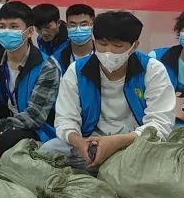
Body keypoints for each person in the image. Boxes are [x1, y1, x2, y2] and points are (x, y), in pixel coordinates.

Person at [48, 10, 177, 168]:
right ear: (94, 42)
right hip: (90, 141)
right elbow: (65, 119)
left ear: (134, 46)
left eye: (117, 46)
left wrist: (116, 142)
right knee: (49, 150)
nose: (108, 52)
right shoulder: (77, 71)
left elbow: (160, 123)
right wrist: (80, 144)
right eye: (102, 44)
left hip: (134, 142)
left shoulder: (152, 70)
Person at [0, 1, 60, 157]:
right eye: (2, 27)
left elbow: (35, 116)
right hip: (2, 121)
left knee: (6, 142)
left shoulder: (47, 66)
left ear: (29, 32)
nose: (7, 31)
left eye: (14, 27)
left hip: (36, 129)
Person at [53, 4, 96, 73]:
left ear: (93, 25)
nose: (78, 29)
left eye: (83, 25)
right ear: (67, 27)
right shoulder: (56, 60)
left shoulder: (103, 55)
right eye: (73, 25)